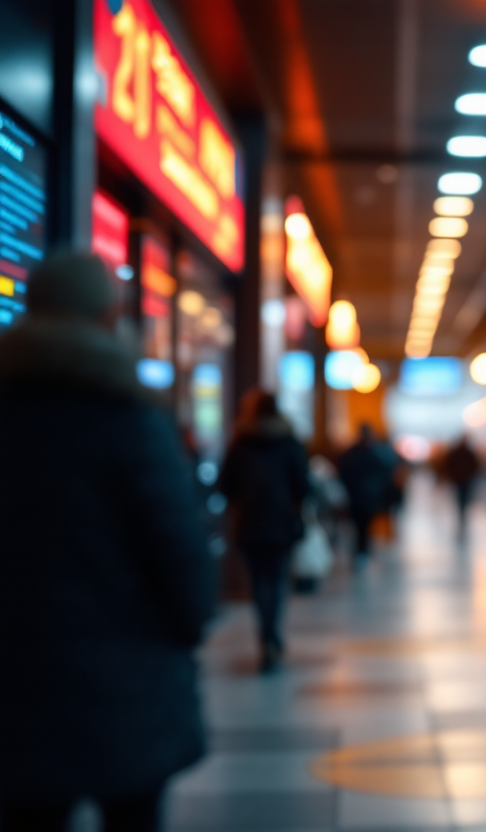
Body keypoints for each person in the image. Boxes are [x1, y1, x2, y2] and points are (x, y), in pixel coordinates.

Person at [0, 252, 215, 831]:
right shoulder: (132, 420)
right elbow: (176, 547)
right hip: (126, 673)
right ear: (105, 318)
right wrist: (190, 622)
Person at [218, 390, 309, 672]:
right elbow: (303, 485)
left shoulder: (241, 442)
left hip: (249, 522)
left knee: (259, 583)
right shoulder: (288, 442)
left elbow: (225, 485)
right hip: (281, 522)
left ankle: (265, 636)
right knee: (277, 580)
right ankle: (272, 635)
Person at [337, 424, 392, 560]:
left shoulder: (353, 453)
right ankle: (362, 551)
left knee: (360, 526)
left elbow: (343, 474)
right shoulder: (376, 453)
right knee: (363, 526)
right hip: (365, 495)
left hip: (359, 495)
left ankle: (361, 551)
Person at [443, 435, 481, 537]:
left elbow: (449, 464)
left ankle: (461, 513)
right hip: (464, 480)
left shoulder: (459, 452)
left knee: (461, 499)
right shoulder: (468, 452)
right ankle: (462, 514)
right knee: (463, 499)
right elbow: (476, 465)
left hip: (460, 480)